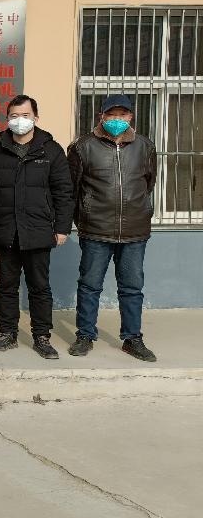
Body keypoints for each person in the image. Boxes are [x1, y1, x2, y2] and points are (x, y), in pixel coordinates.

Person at [0, 94, 75, 359]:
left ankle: (42, 337)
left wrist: (62, 227)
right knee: (6, 286)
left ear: (36, 118)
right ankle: (7, 333)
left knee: (39, 287)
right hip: (5, 229)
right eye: (14, 116)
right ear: (7, 119)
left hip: (39, 230)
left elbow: (64, 192)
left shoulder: (51, 150)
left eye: (25, 115)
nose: (19, 120)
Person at [67, 94, 158, 362]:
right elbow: (72, 188)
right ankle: (85, 335)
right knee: (89, 285)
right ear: (102, 116)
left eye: (122, 114)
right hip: (96, 229)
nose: (117, 119)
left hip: (134, 231)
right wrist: (83, 217)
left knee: (132, 287)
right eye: (111, 114)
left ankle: (132, 339)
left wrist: (139, 210)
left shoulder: (145, 146)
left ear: (131, 117)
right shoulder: (82, 146)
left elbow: (148, 182)